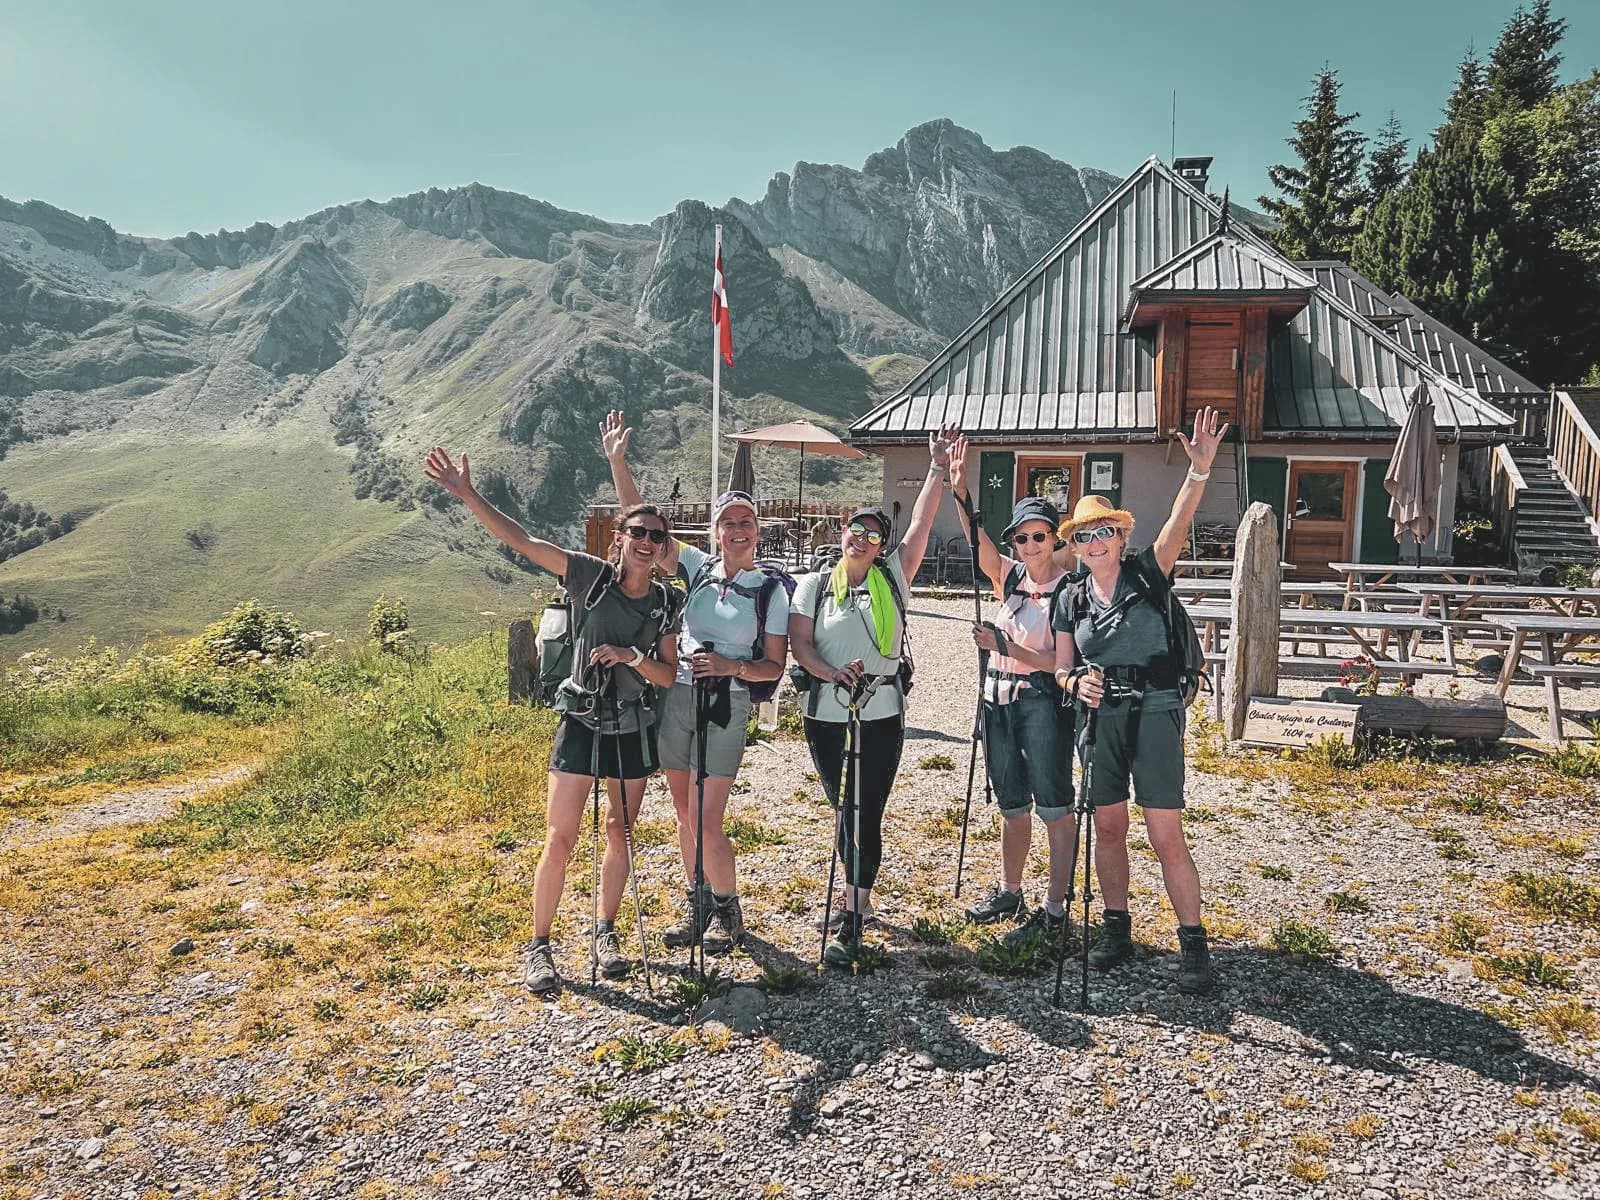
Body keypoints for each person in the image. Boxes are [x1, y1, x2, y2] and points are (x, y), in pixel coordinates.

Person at [423, 446, 681, 997]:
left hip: (632, 725)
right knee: (560, 836)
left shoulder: (665, 602)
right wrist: (468, 494)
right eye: (638, 532)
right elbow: (524, 542)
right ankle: (539, 944)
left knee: (620, 830)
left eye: (657, 537)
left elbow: (666, 674)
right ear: (620, 537)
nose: (647, 542)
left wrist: (630, 657)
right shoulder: (588, 577)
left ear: (663, 549)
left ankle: (604, 933)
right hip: (583, 721)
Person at [1050, 406, 1227, 995]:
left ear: (1122, 538)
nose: (1095, 542)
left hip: (1154, 710)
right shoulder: (1071, 599)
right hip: (1101, 719)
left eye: (1105, 532)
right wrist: (1076, 685)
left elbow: (1179, 521)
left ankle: (1193, 945)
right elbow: (1061, 668)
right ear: (1073, 547)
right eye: (1084, 536)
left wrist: (1198, 469)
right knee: (1107, 828)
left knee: (1164, 831)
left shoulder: (1150, 573)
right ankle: (1117, 930)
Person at [599, 411, 789, 955]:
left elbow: (773, 668)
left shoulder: (769, 590)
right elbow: (644, 526)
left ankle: (727, 907)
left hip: (724, 704)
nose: (736, 530)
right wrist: (618, 461)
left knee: (707, 819)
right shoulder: (699, 568)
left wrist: (732, 668)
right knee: (685, 813)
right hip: (676, 696)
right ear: (715, 532)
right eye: (727, 523)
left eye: (744, 523)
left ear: (757, 531)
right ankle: (698, 902)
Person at [788, 425, 960, 967]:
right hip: (825, 712)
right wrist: (832, 673)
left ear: (883, 544)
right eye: (854, 529)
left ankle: (854, 912)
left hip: (882, 711)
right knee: (844, 806)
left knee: (867, 810)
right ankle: (851, 895)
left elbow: (924, 522)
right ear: (842, 534)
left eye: (872, 533)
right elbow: (800, 645)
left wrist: (935, 467)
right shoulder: (814, 585)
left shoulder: (894, 577)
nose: (861, 537)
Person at [947, 438, 1076, 947]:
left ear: (1055, 538)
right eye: (1021, 538)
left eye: (1039, 536)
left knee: (1054, 802)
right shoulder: (1009, 577)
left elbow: (1063, 665)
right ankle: (1011, 890)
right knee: (1012, 802)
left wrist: (1005, 646)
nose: (1029, 545)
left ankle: (1056, 907)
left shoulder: (1070, 591)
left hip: (1042, 701)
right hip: (997, 702)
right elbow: (975, 537)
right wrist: (960, 489)